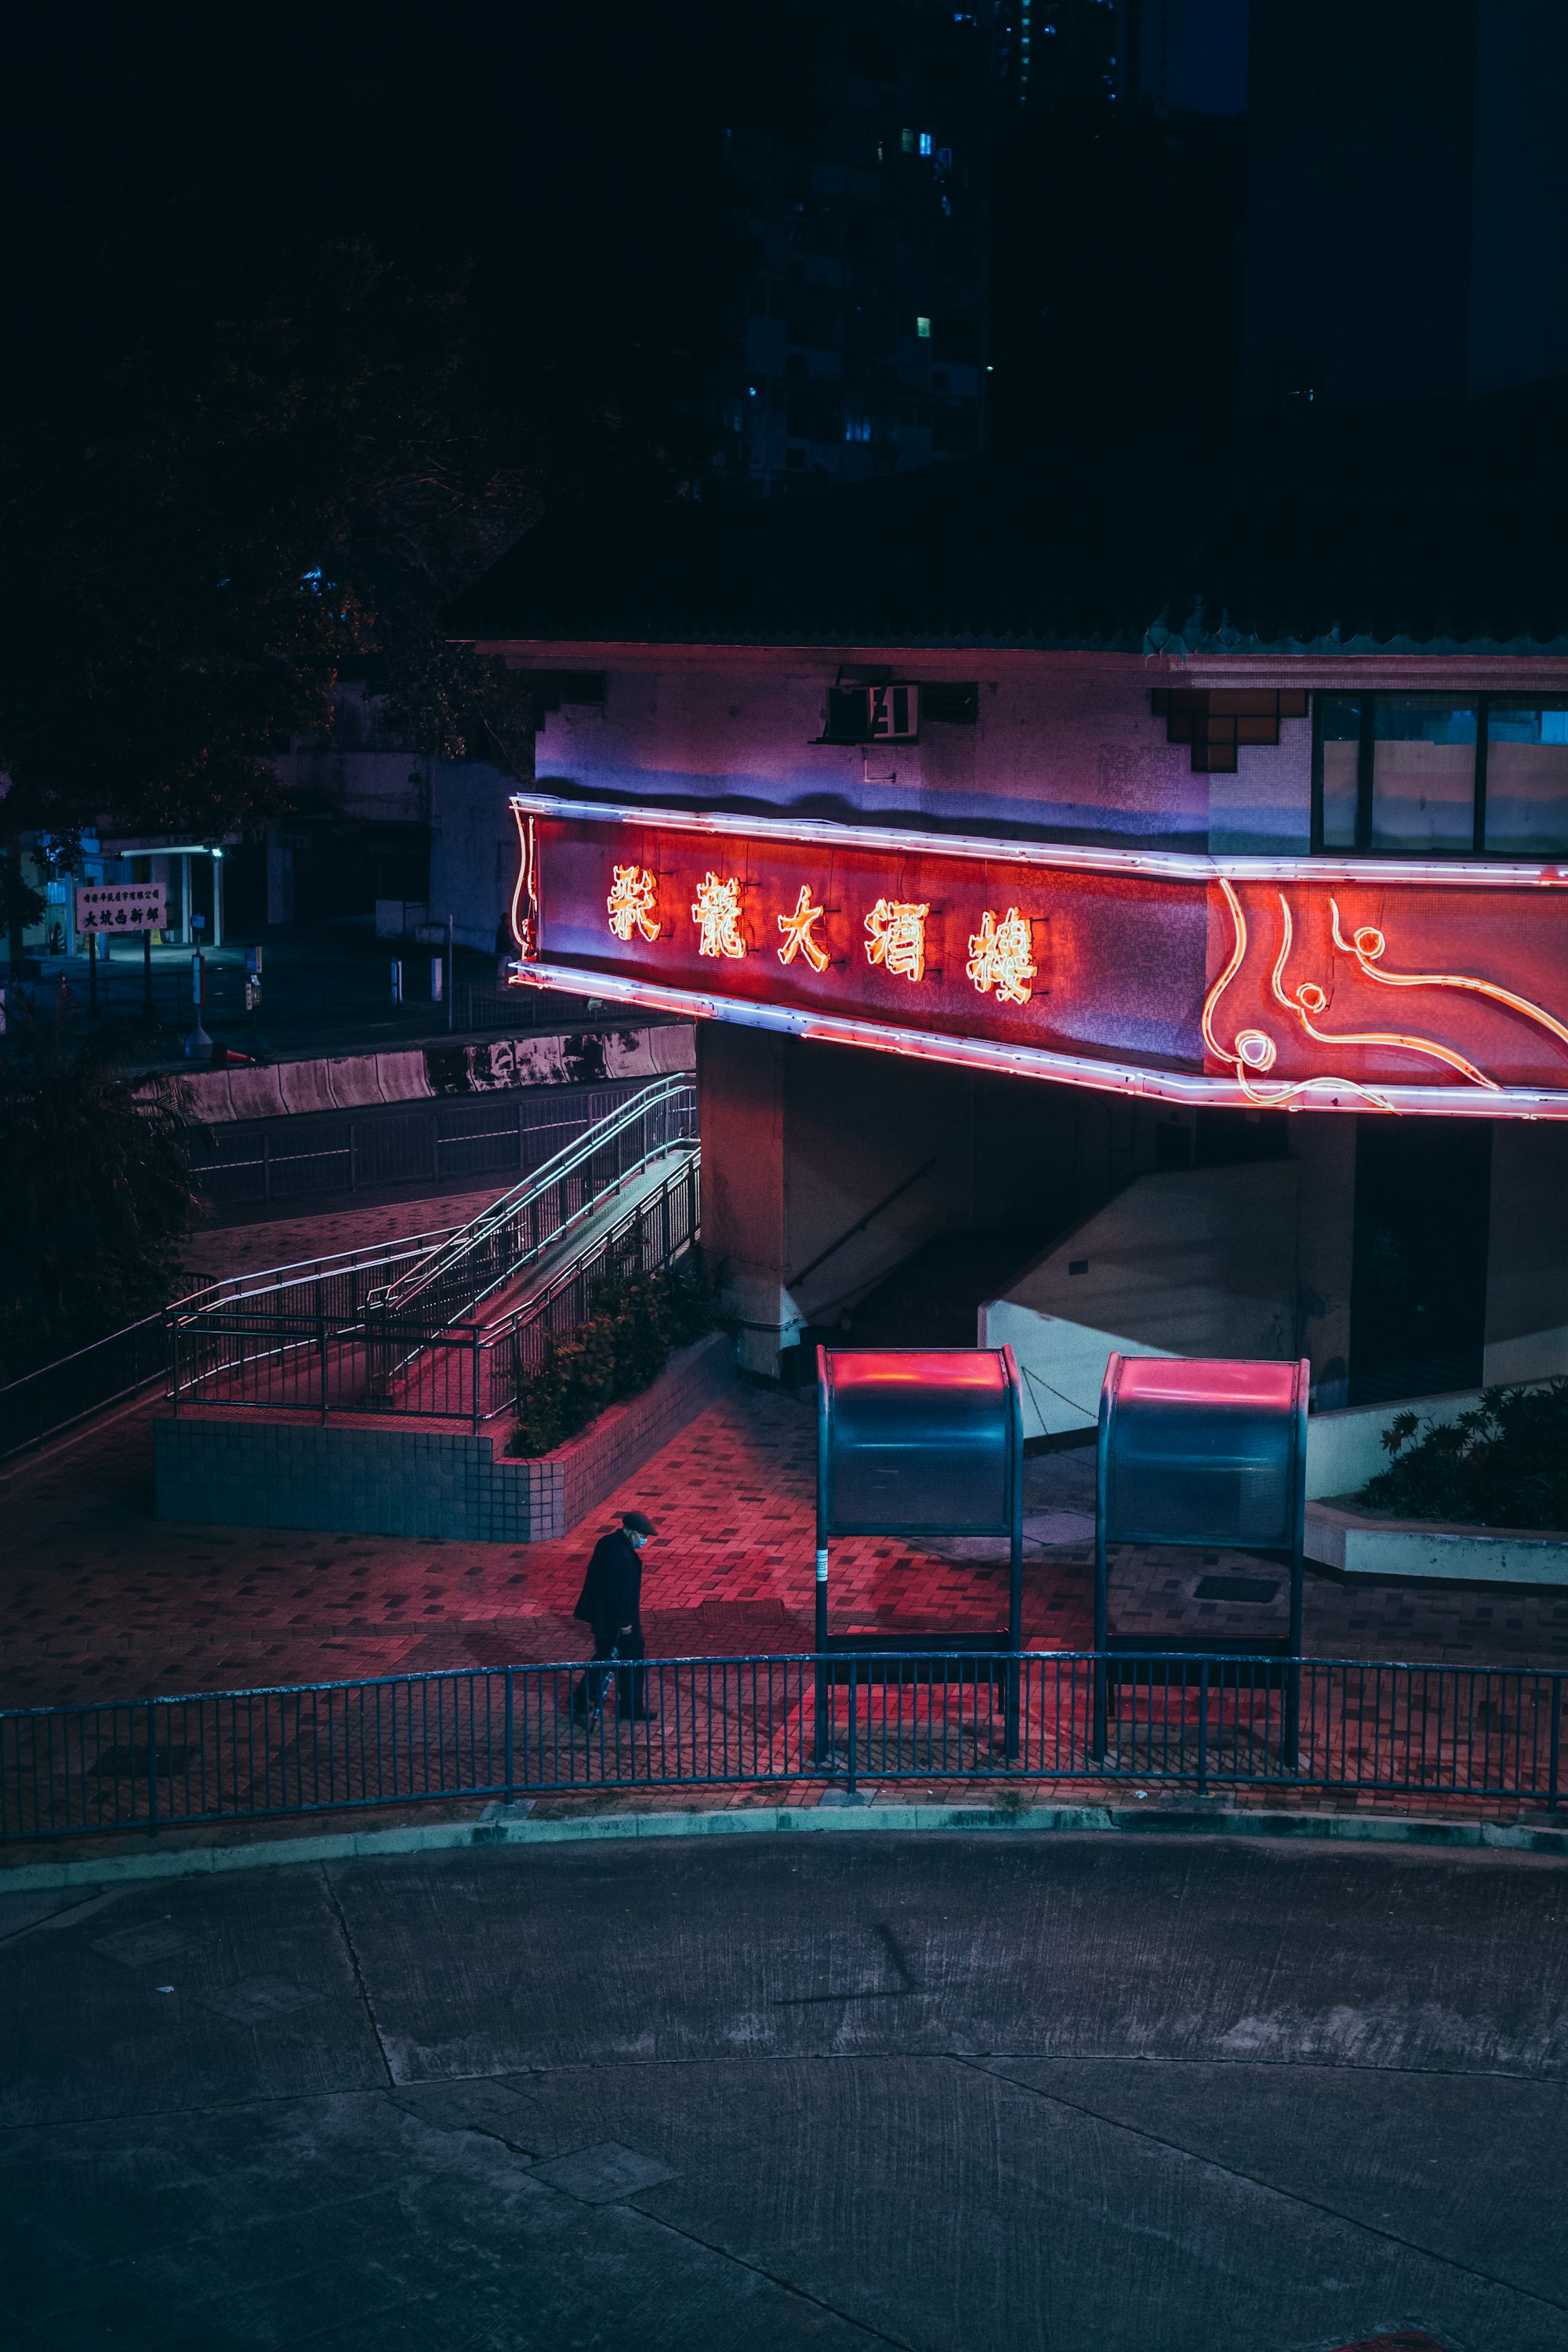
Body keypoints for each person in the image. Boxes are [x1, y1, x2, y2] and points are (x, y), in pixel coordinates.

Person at [571, 1508, 657, 1722]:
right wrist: (624, 1622)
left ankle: (582, 1699)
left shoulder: (608, 1543)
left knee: (604, 1658)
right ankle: (631, 1707)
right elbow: (618, 1591)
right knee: (631, 1662)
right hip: (620, 1620)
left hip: (603, 1617)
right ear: (632, 1533)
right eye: (643, 1536)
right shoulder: (624, 1557)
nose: (644, 1541)